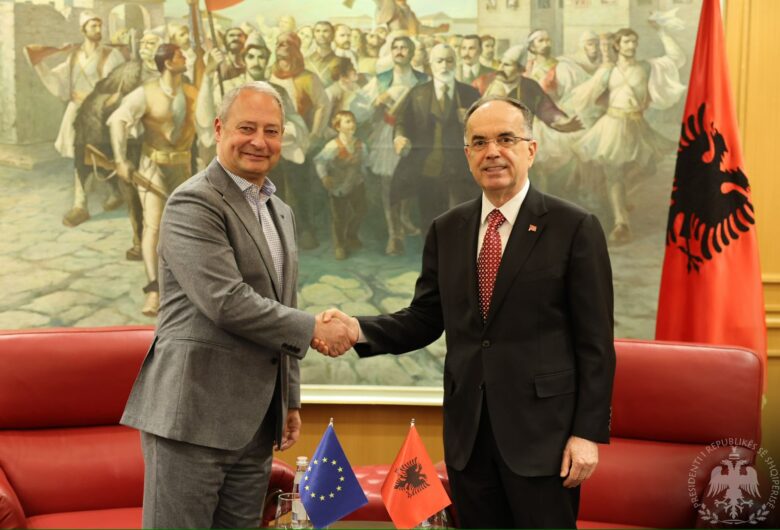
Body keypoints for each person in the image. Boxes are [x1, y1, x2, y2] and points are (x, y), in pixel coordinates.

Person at [317, 96, 616, 528]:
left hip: (543, 440)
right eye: (479, 142)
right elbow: (424, 319)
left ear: (531, 149)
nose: (492, 151)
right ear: (467, 155)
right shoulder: (447, 229)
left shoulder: (574, 227)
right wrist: (357, 329)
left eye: (506, 139)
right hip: (469, 440)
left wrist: (586, 434)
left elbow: (596, 344)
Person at [120, 81, 355, 528]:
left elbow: (282, 303)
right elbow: (225, 301)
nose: (259, 141)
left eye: (271, 131)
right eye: (247, 128)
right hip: (192, 418)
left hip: (255, 424)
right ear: (218, 129)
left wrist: (289, 399)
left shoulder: (279, 211)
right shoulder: (193, 201)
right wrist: (314, 328)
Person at [571, 25, 686, 244]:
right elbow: (584, 97)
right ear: (618, 45)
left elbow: (676, 58)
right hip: (612, 125)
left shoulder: (647, 67)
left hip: (636, 126)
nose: (631, 45)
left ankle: (620, 200)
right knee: (613, 172)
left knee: (647, 167)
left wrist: (662, 32)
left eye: (634, 42)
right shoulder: (608, 70)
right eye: (626, 42)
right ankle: (621, 223)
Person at [27, 11, 125, 227]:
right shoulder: (73, 57)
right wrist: (39, 64)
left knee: (103, 156)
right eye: (93, 26)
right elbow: (59, 83)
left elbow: (118, 86)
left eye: (99, 25)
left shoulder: (111, 55)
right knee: (82, 157)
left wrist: (94, 99)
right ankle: (80, 205)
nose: (98, 30)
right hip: (78, 115)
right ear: (83, 30)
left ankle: (116, 192)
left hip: (102, 113)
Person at [390, 43, 480, 232]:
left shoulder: (470, 93)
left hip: (461, 169)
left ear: (455, 63)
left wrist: (470, 121)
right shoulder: (418, 93)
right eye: (439, 61)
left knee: (461, 221)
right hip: (427, 168)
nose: (444, 66)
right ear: (431, 64)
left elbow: (486, 130)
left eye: (449, 61)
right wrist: (399, 137)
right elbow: (402, 122)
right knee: (429, 219)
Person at [314, 110, 368, 260]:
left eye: (353, 121)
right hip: (338, 187)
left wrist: (363, 175)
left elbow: (365, 162)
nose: (352, 124)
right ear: (338, 127)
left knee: (361, 210)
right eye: (348, 121)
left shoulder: (360, 145)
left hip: (356, 184)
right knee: (339, 218)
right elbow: (320, 162)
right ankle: (340, 245)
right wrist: (324, 177)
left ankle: (351, 234)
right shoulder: (333, 146)